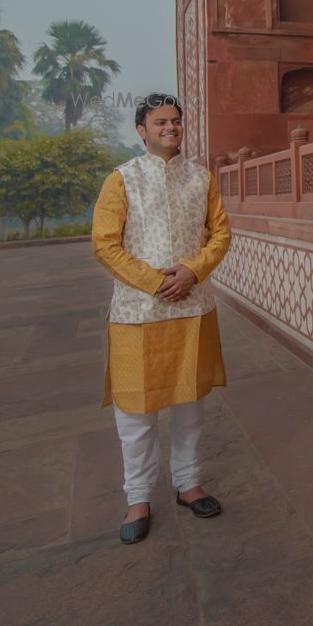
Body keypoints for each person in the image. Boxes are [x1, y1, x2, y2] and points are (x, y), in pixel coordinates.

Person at [91, 93, 232, 544]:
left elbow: (221, 232)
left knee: (190, 406)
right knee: (136, 411)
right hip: (138, 313)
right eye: (159, 122)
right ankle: (138, 497)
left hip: (193, 306)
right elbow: (105, 243)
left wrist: (193, 271)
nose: (169, 128)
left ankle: (188, 484)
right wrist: (155, 283)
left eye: (175, 121)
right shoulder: (122, 180)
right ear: (141, 130)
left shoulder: (200, 178)